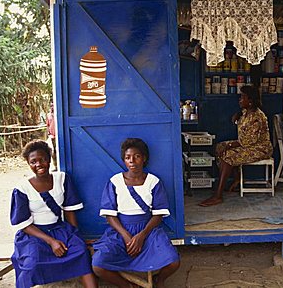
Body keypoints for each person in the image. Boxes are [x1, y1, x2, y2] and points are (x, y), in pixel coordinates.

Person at [92, 138, 180, 288]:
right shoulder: (115, 181)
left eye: (137, 156)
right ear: (124, 160)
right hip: (120, 230)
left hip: (148, 230)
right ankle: (128, 286)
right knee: (98, 265)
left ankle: (160, 281)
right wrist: (127, 236)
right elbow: (110, 215)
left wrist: (142, 236)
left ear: (144, 158)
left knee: (173, 261)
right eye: (127, 157)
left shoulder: (153, 181)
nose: (132, 161)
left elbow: (158, 215)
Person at [10, 140, 97, 288]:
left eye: (43, 159)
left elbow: (69, 211)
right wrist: (51, 241)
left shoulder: (61, 179)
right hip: (34, 234)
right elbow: (23, 224)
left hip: (59, 229)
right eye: (33, 162)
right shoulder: (22, 188)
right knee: (31, 263)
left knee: (81, 252)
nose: (39, 165)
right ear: (28, 164)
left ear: (49, 159)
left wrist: (75, 235)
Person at [199, 85, 272, 207]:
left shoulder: (257, 117)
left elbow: (249, 141)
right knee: (219, 147)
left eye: (242, 97)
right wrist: (238, 116)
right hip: (247, 145)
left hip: (260, 148)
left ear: (250, 101)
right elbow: (243, 134)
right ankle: (236, 178)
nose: (240, 100)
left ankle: (218, 195)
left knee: (227, 156)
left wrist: (231, 145)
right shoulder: (245, 112)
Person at [46, 102, 57, 171]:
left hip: (58, 135)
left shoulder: (58, 114)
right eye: (51, 106)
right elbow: (47, 125)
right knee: (53, 151)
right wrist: (48, 133)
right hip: (52, 136)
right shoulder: (49, 115)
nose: (52, 107)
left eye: (53, 106)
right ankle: (56, 166)